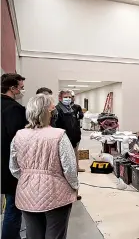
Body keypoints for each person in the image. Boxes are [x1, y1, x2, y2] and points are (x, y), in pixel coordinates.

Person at [10, 94, 79, 239]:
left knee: (33, 234)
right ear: (47, 112)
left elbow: (14, 168)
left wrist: (29, 177)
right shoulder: (59, 135)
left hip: (26, 192)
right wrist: (74, 186)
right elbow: (70, 168)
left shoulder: (19, 135)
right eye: (52, 108)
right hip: (56, 193)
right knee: (55, 234)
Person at [1, 73, 27, 239]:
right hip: (10, 163)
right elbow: (19, 138)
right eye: (21, 87)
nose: (21, 90)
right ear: (12, 88)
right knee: (13, 205)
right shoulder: (14, 109)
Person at [56, 90, 85, 176]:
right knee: (66, 164)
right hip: (64, 141)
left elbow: (75, 123)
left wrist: (77, 137)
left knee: (73, 159)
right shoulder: (57, 110)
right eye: (66, 97)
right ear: (60, 98)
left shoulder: (72, 109)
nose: (68, 99)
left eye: (69, 97)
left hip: (74, 139)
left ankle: (76, 169)